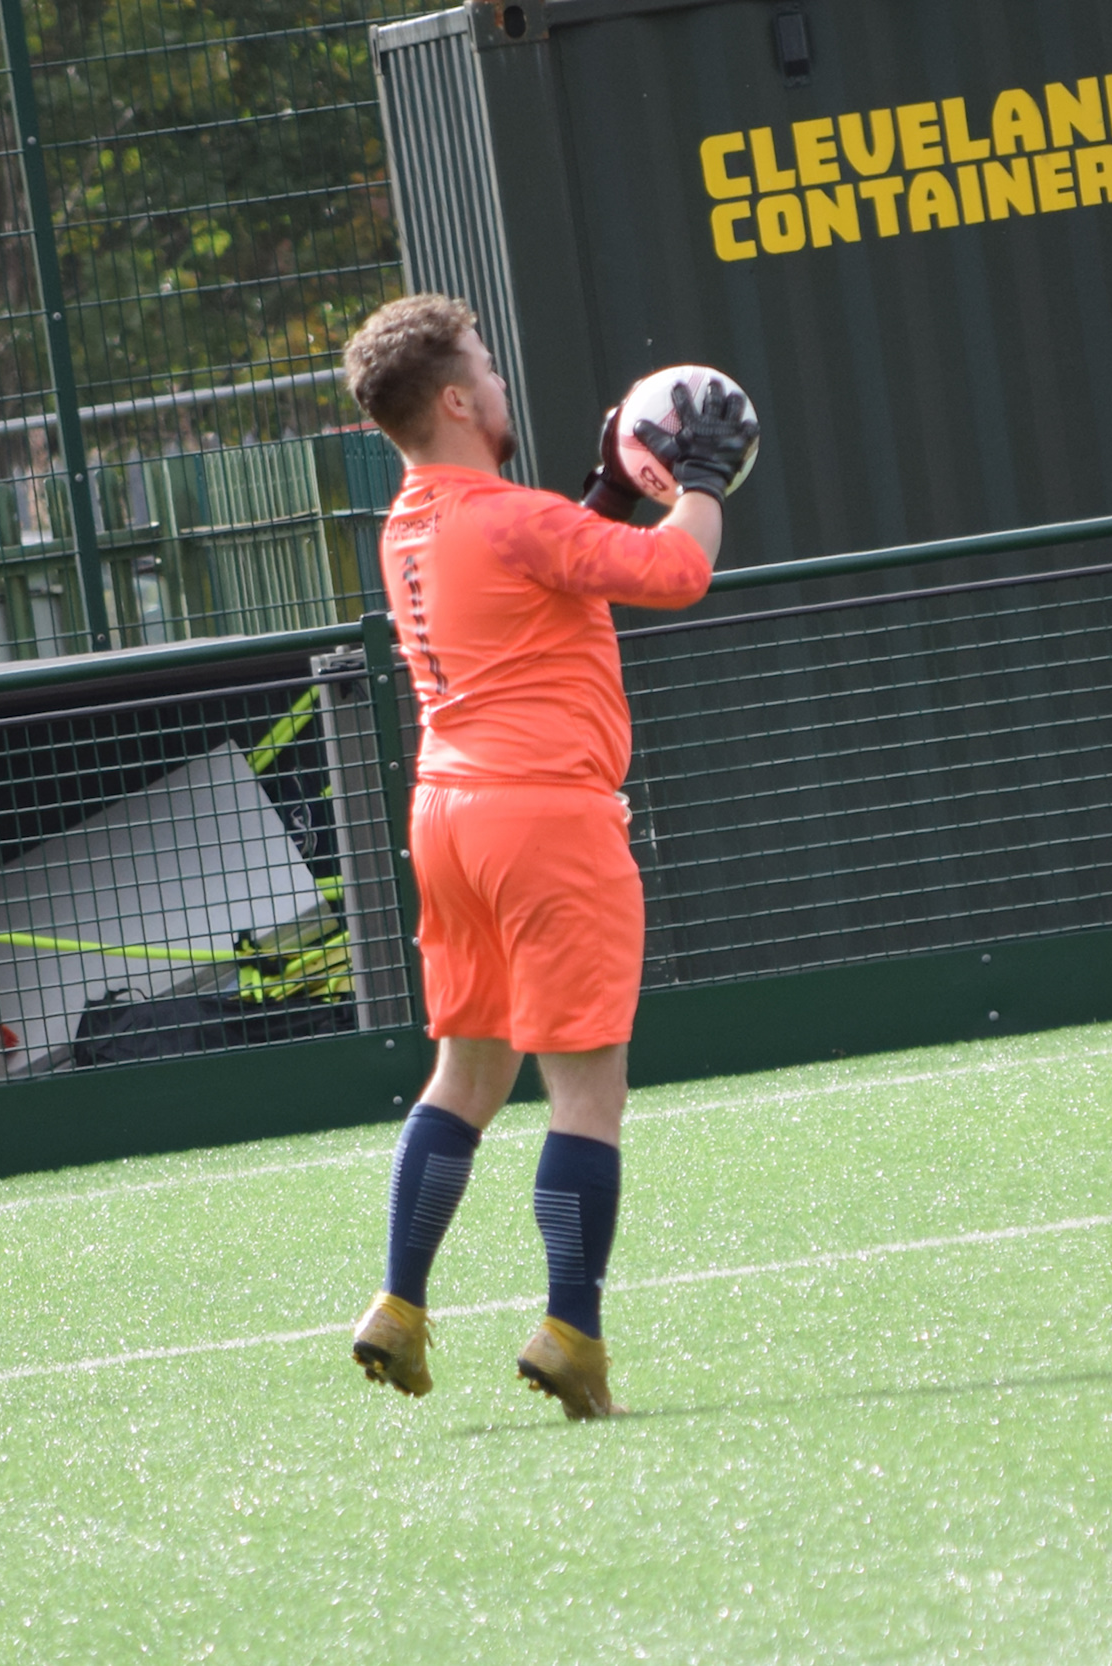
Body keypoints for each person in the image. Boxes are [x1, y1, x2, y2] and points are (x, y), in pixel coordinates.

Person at [341, 295, 756, 1419]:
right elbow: (674, 575)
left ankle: (399, 1304)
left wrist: (615, 492)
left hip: (445, 815)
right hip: (544, 821)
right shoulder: (510, 516)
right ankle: (572, 1332)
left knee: (465, 1075)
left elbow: (542, 576)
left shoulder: (411, 523)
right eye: (485, 364)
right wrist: (703, 482)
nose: (502, 381)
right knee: (587, 1090)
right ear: (456, 400)